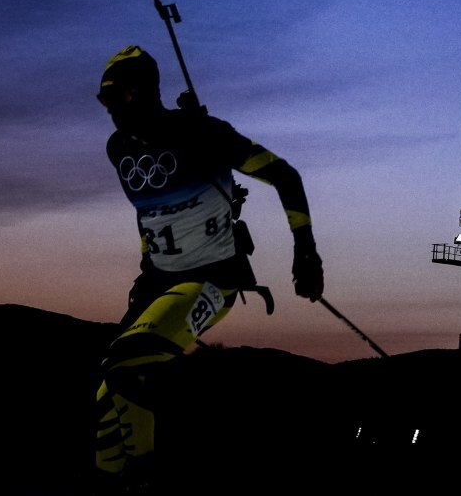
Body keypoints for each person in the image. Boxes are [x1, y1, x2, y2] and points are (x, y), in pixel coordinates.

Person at [93, 44, 323, 487]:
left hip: (212, 278)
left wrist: (306, 253)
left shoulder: (205, 134)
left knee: (128, 366)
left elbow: (285, 176)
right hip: (156, 282)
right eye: (104, 100)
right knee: (107, 389)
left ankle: (150, 476)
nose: (110, 109)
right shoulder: (118, 148)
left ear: (143, 91)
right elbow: (152, 211)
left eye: (117, 96)